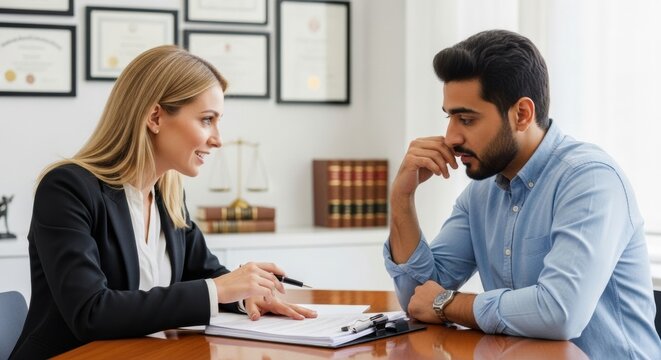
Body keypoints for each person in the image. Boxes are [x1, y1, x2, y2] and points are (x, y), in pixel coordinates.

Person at [10, 45, 316, 359]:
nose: (218, 139)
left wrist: (245, 296)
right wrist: (220, 289)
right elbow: (91, 312)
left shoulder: (167, 195)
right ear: (156, 116)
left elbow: (206, 275)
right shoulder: (67, 188)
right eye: (207, 120)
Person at [384, 30, 661, 359]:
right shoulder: (482, 191)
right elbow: (419, 296)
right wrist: (402, 198)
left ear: (522, 114)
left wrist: (447, 304)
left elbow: (559, 313)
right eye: (450, 117)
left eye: (466, 119)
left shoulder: (591, 181)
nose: (451, 137)